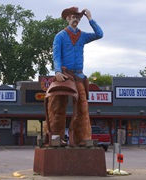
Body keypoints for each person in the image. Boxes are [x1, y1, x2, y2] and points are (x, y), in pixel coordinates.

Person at [45, 7, 103, 146]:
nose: (75, 19)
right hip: (64, 75)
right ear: (67, 19)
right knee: (58, 107)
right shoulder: (60, 36)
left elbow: (99, 34)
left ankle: (82, 139)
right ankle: (55, 138)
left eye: (77, 17)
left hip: (79, 76)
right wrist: (57, 71)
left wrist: (90, 18)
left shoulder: (83, 36)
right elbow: (56, 56)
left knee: (82, 107)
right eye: (72, 17)